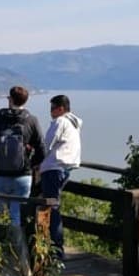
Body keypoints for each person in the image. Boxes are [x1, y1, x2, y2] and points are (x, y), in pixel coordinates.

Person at [0, 86, 45, 226]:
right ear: (25, 101)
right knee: (16, 216)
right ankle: (16, 247)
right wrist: (29, 163)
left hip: (1, 176)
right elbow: (42, 150)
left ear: (10, 99)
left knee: (2, 214)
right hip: (23, 176)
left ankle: (2, 245)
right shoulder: (31, 120)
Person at [40, 94, 82, 259]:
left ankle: (56, 250)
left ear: (61, 108)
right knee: (54, 205)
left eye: (53, 108)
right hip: (66, 168)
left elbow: (46, 144)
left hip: (54, 168)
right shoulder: (74, 124)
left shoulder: (60, 122)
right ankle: (54, 246)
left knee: (52, 208)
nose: (50, 111)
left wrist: (36, 162)